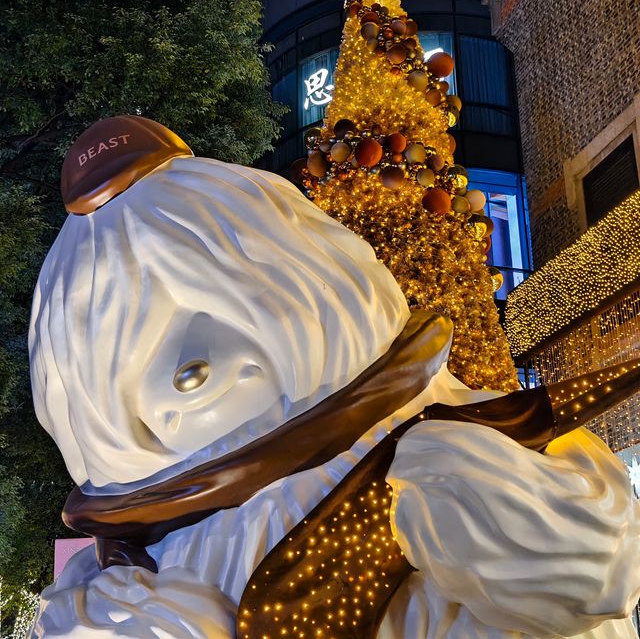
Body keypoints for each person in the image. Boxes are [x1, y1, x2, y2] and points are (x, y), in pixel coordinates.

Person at [28, 117, 640, 637]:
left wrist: (528, 536)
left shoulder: (446, 453)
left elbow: (594, 575)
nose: (189, 373)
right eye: (130, 349)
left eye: (212, 307)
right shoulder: (129, 583)